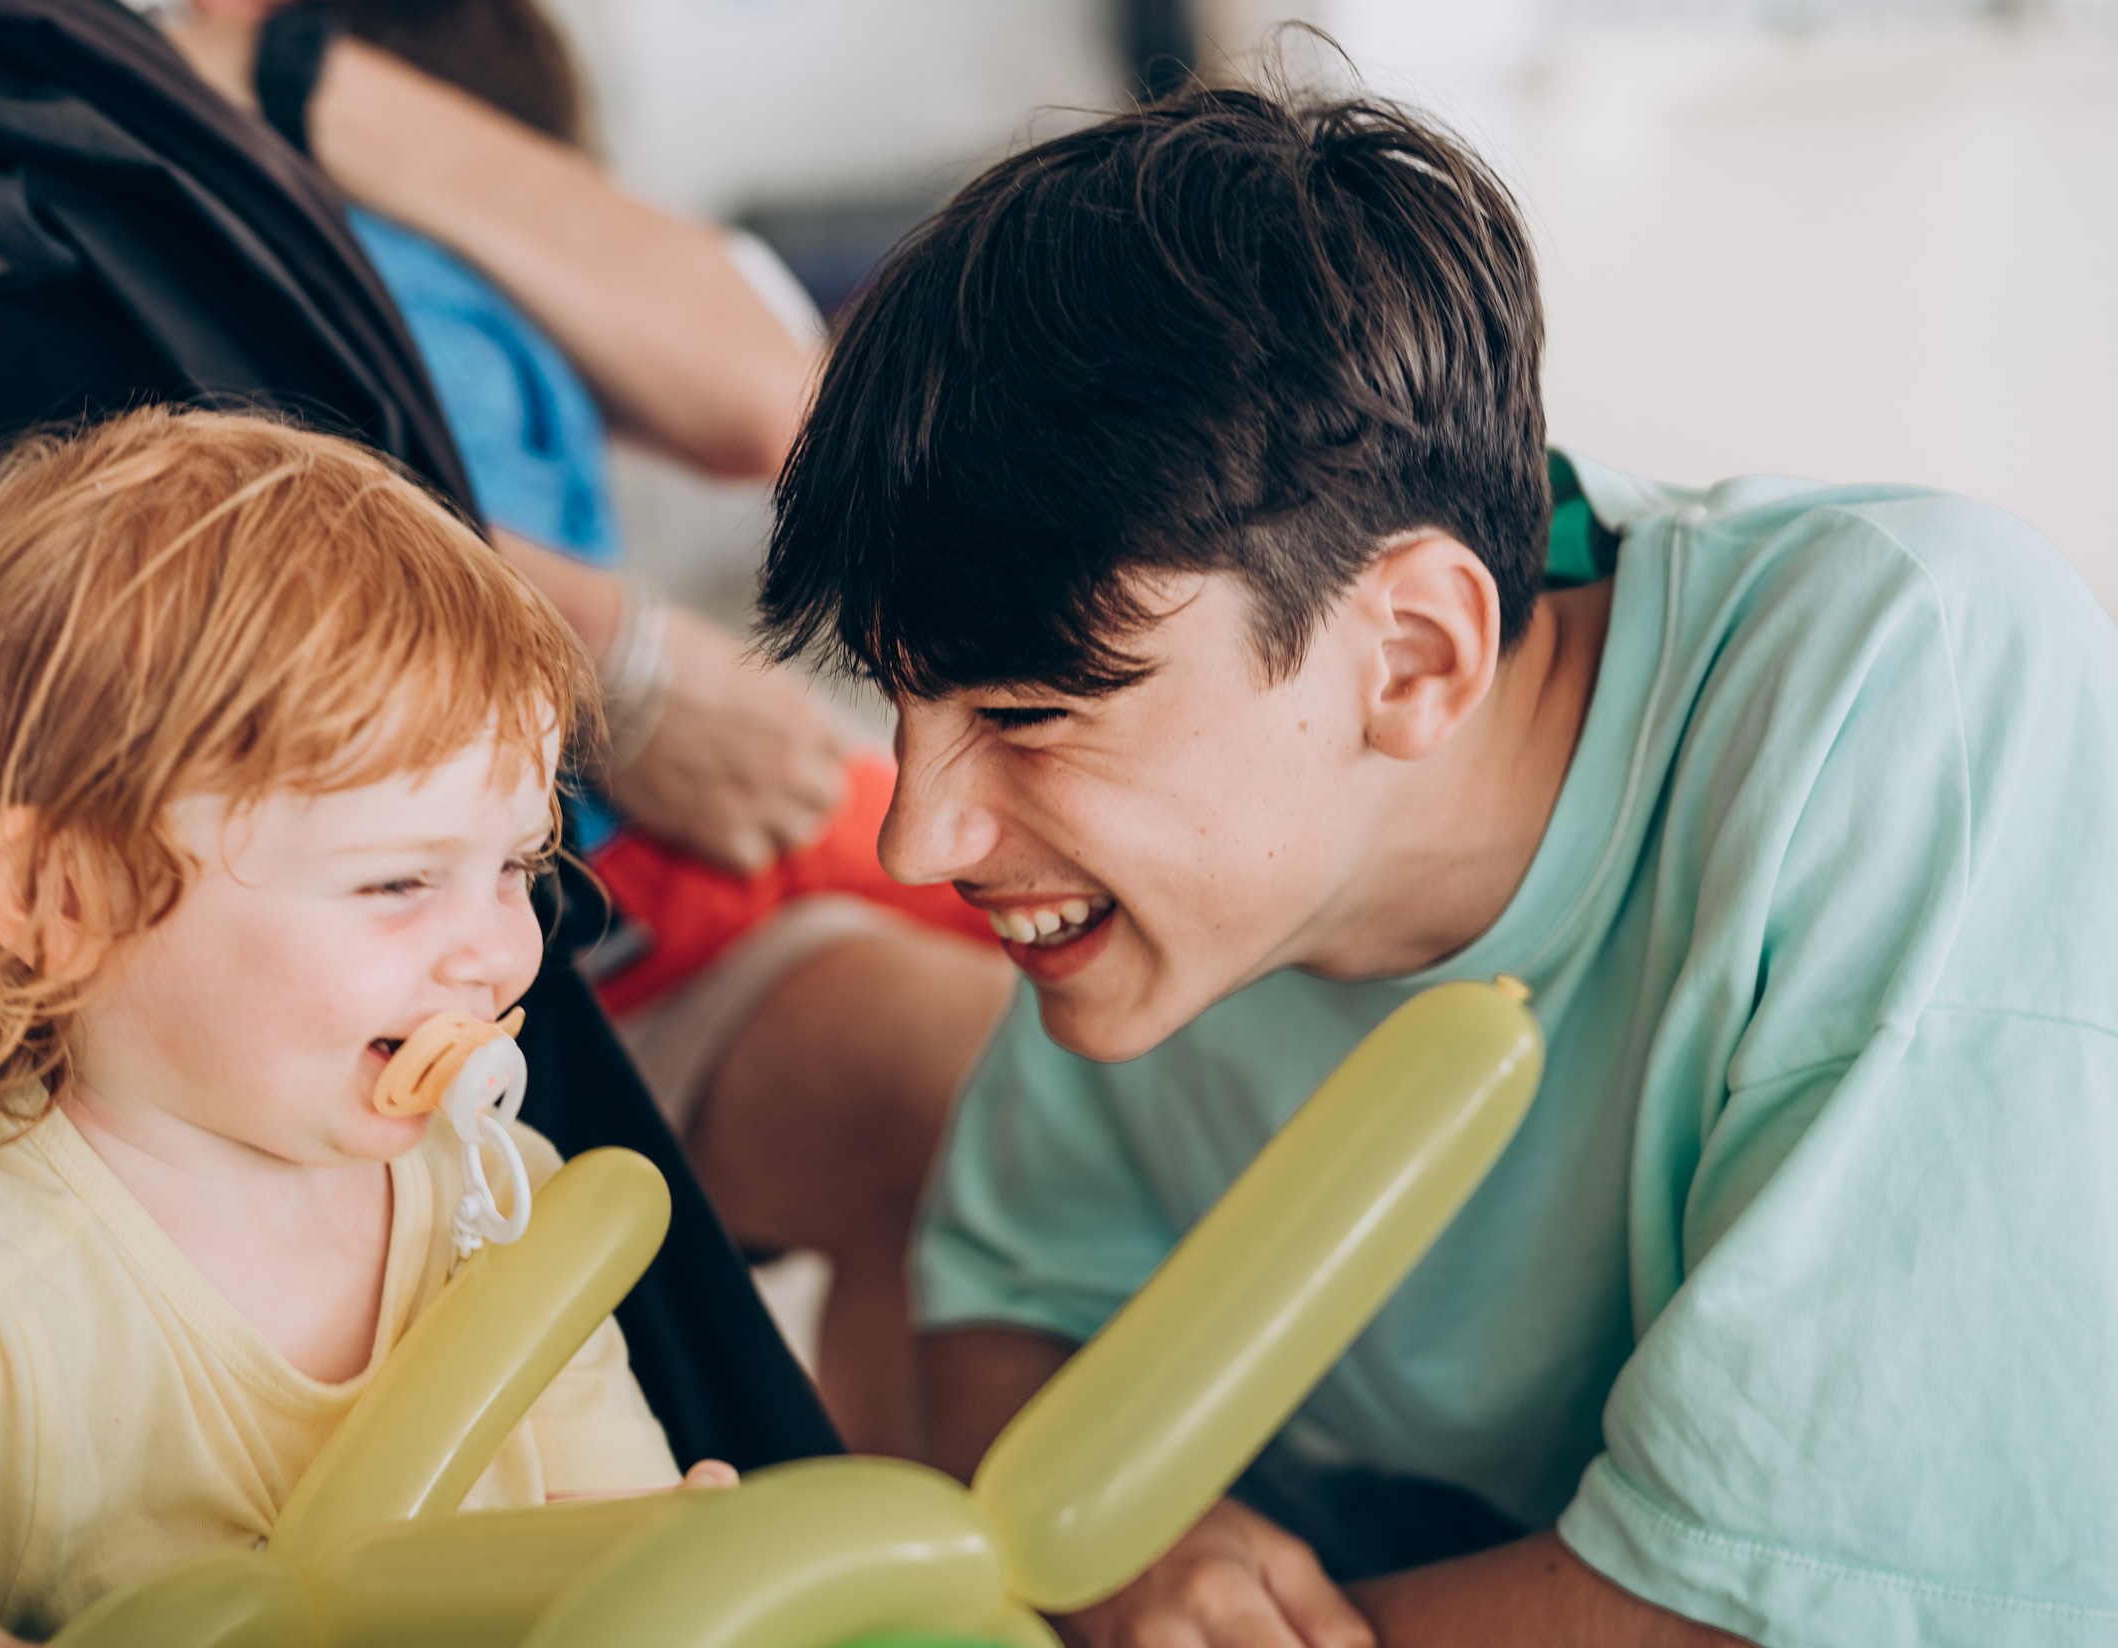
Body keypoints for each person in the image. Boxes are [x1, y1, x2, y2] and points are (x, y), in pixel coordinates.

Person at [757, 77, 2118, 1648]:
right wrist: (1144, 1555)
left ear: (1410, 654)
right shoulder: (1146, 909)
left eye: (1030, 712)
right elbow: (1008, 1309)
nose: (918, 836)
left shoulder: (1914, 687)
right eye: (903, 704)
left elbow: (1777, 1610)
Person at [0, 408, 731, 1647]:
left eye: (517, 863)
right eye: (398, 882)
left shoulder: (494, 1206)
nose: (500, 945)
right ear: (70, 899)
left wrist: (671, 1559)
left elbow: (612, 1536)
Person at [159, 0, 1014, 1458]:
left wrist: (287, 68)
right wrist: (590, 653)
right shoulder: (90, 177)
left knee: (1073, 1048)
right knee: (988, 1090)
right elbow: (169, 545)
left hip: (639, 882)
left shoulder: (386, 95)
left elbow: (771, 394)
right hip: (476, 927)